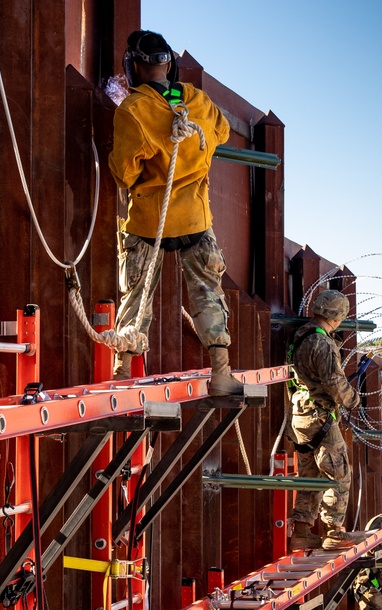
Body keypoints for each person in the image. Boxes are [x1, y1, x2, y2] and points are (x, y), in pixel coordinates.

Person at [109, 30, 242, 396]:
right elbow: (223, 133)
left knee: (136, 296)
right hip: (195, 220)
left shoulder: (133, 110)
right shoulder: (197, 101)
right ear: (170, 65)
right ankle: (220, 373)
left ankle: (122, 373)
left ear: (134, 66)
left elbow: (123, 174)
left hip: (151, 221)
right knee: (208, 293)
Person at [287, 289, 363, 550]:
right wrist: (354, 399)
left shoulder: (302, 335)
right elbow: (335, 383)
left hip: (300, 414)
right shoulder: (322, 342)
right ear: (338, 315)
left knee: (310, 474)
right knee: (339, 473)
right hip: (319, 416)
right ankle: (334, 531)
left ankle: (302, 530)